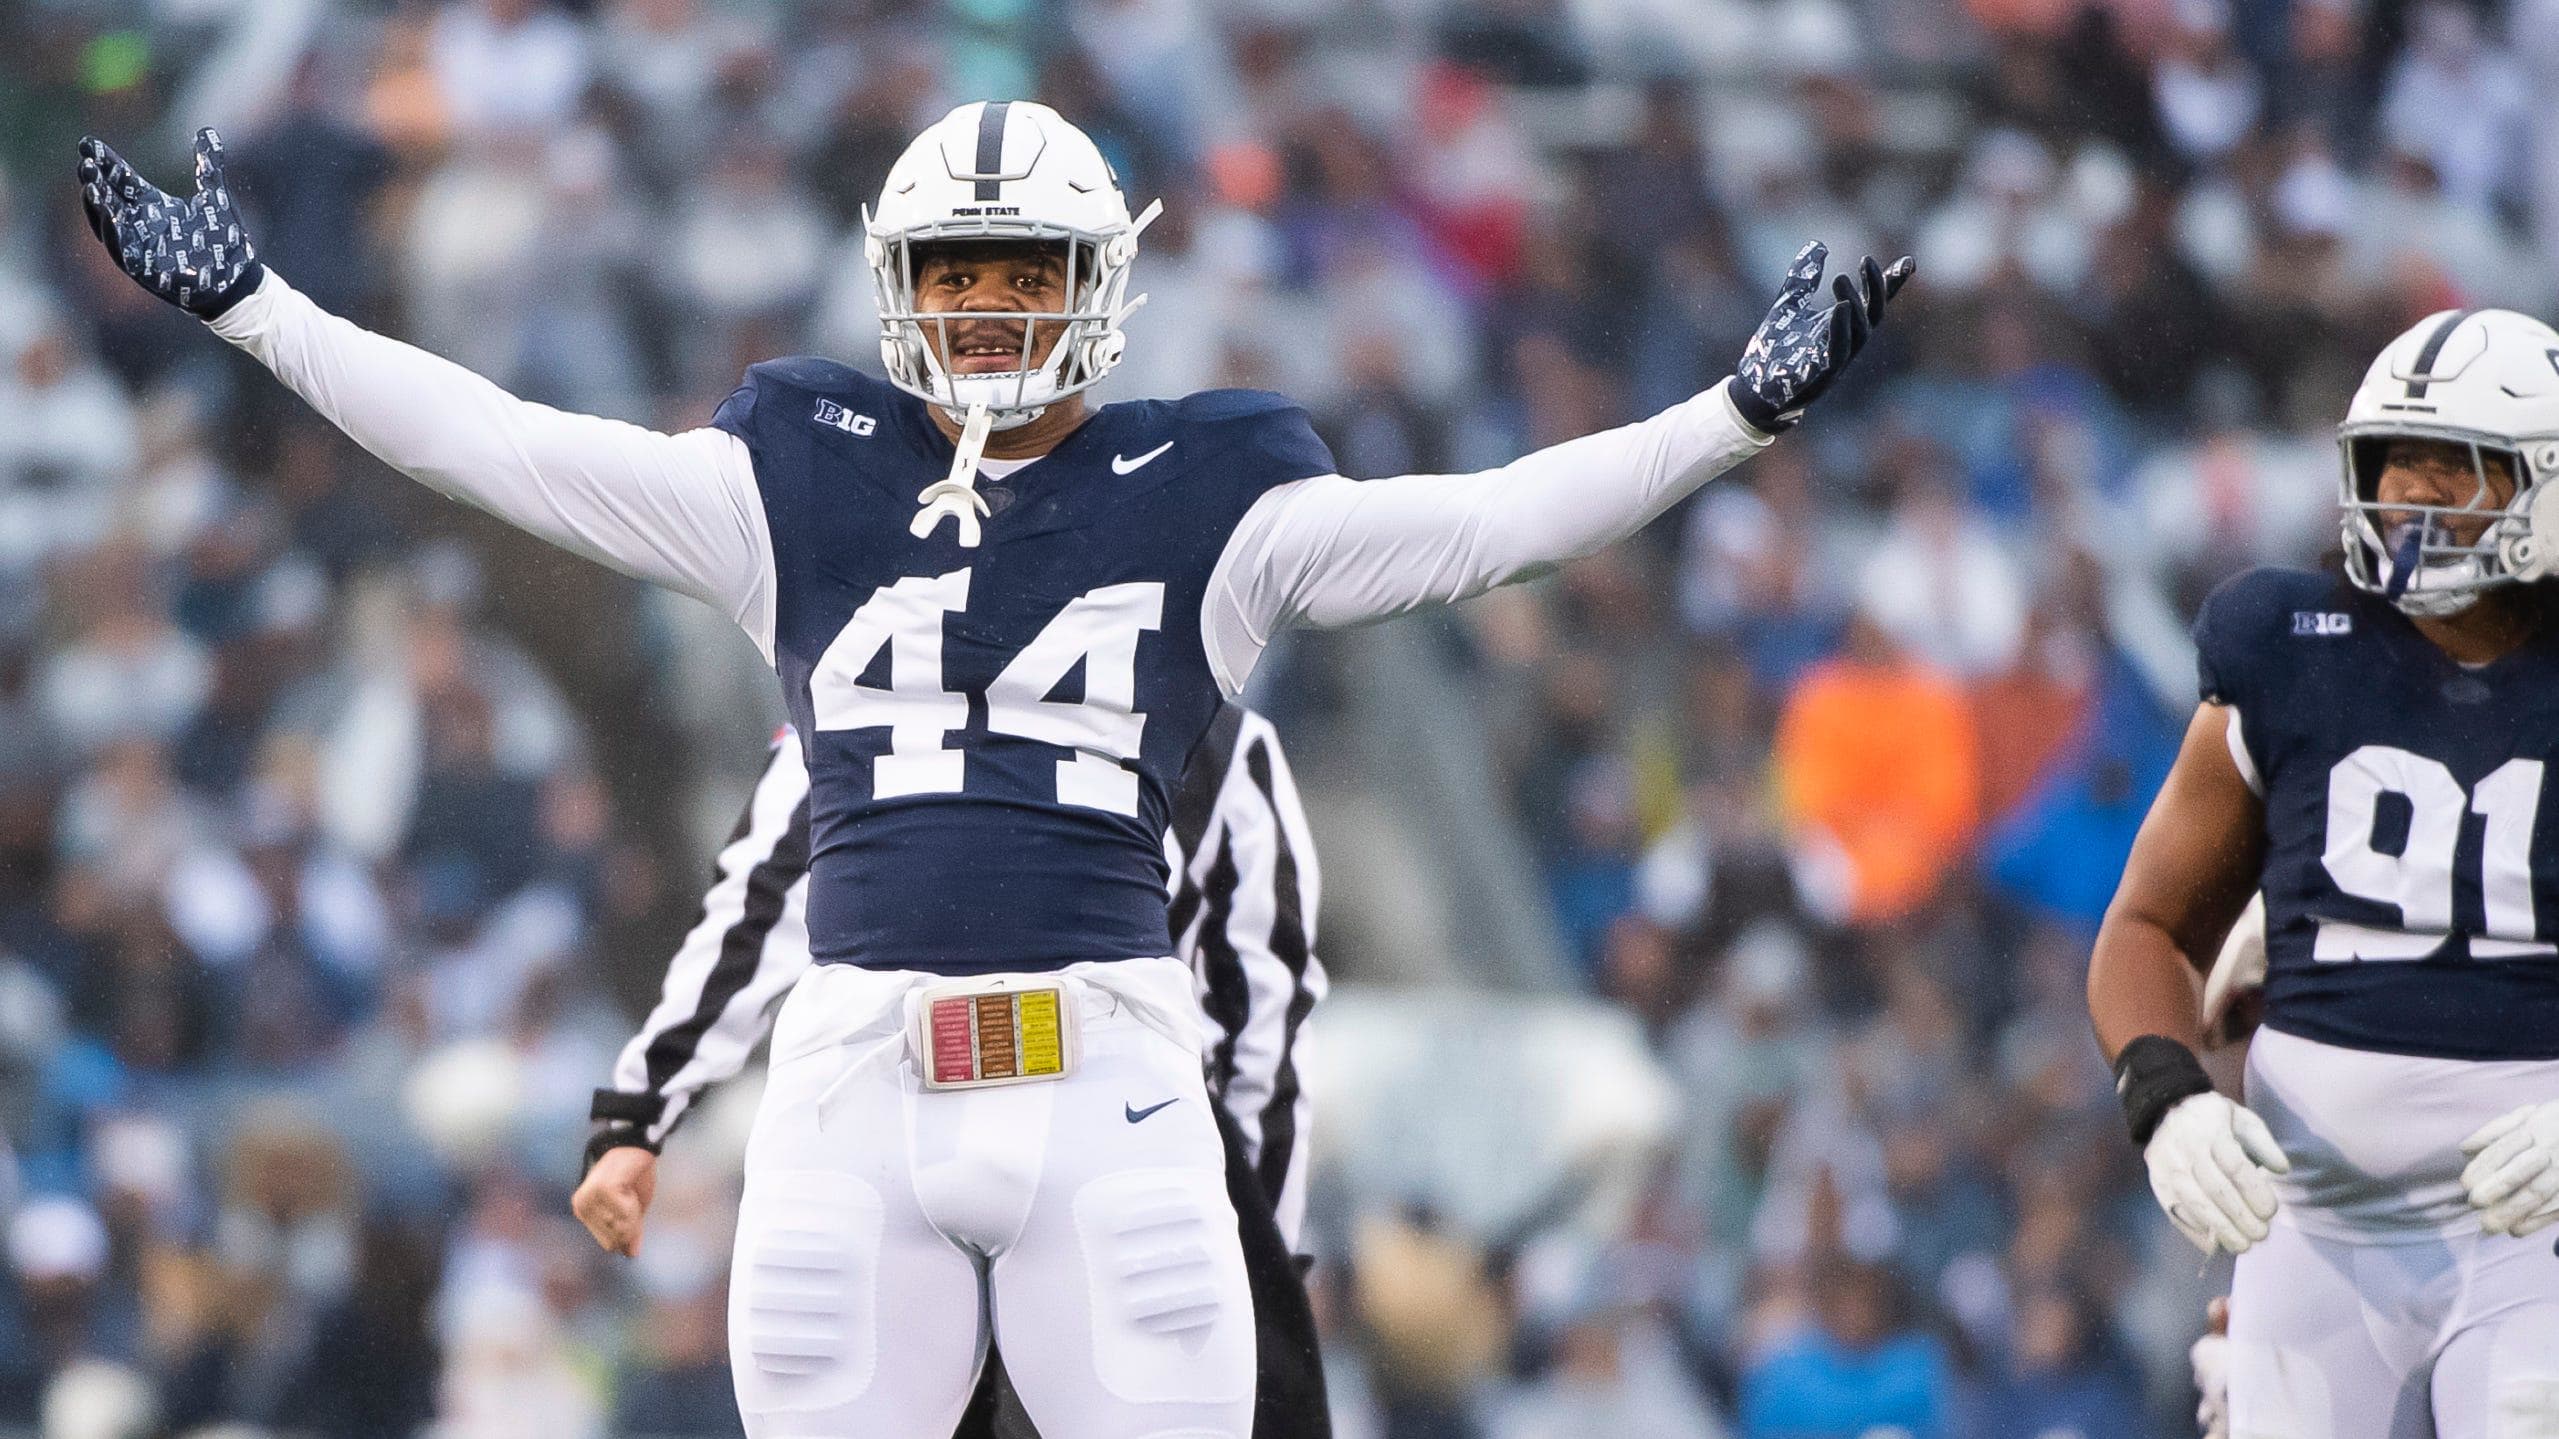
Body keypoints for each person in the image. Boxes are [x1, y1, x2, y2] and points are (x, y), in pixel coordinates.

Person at [76, 109, 1911, 1438]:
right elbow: (501, 444)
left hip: (1106, 1063)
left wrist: (1724, 418)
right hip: (853, 1073)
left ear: (1098, 279)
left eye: (1014, 271)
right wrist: (260, 310)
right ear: (892, 282)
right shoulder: (793, 470)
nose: (976, 308)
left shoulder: (1219, 491)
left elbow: (1486, 528)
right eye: (947, 272)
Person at [572, 705, 1330, 1438]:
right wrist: (1263, 1255)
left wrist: (638, 1109)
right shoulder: (1206, 723)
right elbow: (1260, 1029)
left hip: (906, 1136)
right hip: (1119, 1149)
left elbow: (752, 917)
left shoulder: (858, 692)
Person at [2087, 307, 2559, 1438]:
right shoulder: (2289, 649)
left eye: (2459, 468)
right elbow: (2148, 926)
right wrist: (2167, 1101)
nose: (2412, 495)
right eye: (2396, 460)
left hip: (2532, 1228)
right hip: (2318, 1221)